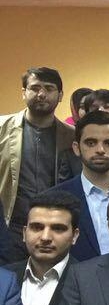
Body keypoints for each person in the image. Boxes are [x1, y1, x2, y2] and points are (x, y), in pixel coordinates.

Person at [1, 67, 75, 241]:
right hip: (9, 226)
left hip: (54, 227)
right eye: (35, 88)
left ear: (60, 95)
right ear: (23, 93)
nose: (41, 94)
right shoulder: (2, 128)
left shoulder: (71, 136)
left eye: (49, 88)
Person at [49, 110, 109, 261]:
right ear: (76, 148)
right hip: (74, 275)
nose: (100, 150)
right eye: (91, 143)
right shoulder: (54, 200)